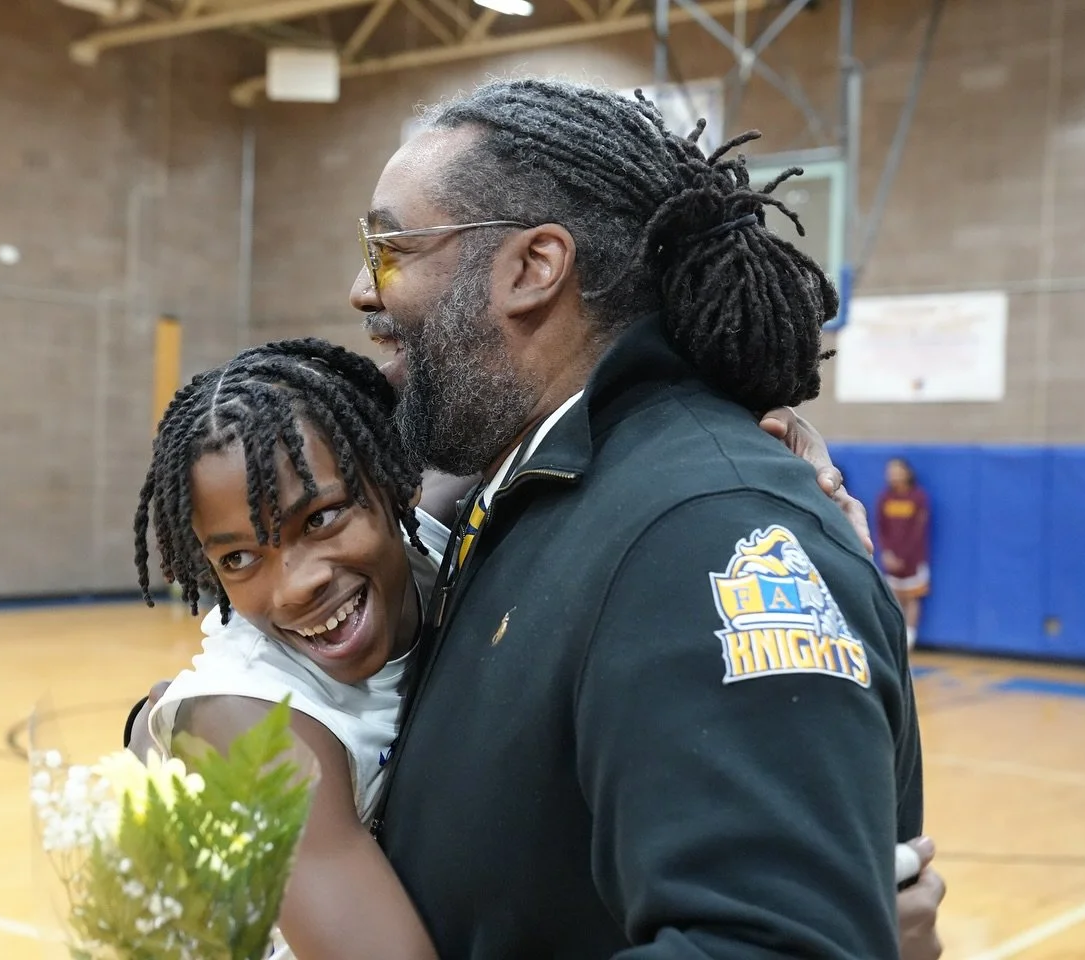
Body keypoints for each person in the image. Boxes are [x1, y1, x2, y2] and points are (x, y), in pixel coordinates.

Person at [344, 78, 922, 958]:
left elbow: (772, 944)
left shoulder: (705, 529)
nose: (361, 288)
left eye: (390, 245)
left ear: (533, 268)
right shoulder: (531, 490)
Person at [123, 338, 923, 960]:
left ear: (391, 481)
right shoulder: (253, 726)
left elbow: (601, 394)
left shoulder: (443, 522)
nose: (292, 584)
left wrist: (792, 463)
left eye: (321, 518)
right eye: (238, 559)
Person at [877, 457, 932, 650]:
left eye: (896, 470)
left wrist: (905, 556)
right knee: (893, 598)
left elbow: (918, 531)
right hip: (891, 559)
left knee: (912, 598)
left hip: (913, 559)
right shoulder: (885, 498)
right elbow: (881, 529)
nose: (892, 474)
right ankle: (895, 636)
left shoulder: (918, 498)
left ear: (907, 472)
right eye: (890, 471)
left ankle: (909, 637)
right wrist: (887, 553)